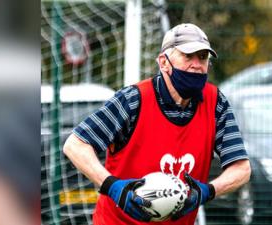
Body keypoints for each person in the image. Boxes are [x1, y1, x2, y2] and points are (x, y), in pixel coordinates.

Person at [63, 23, 251, 225]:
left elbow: (241, 168)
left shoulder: (215, 103)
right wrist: (114, 187)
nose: (197, 64)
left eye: (203, 57)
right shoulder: (133, 100)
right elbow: (75, 145)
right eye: (188, 56)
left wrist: (208, 191)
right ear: (164, 62)